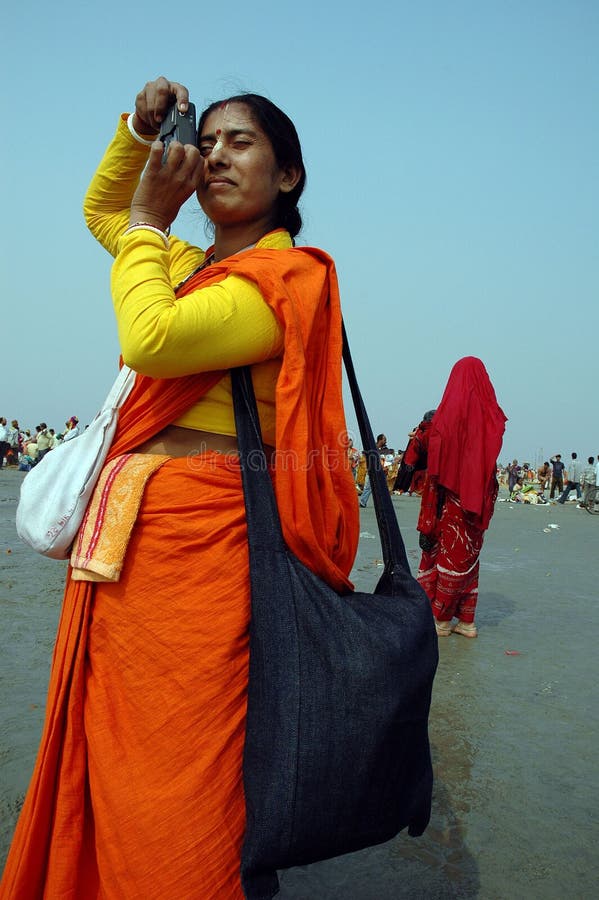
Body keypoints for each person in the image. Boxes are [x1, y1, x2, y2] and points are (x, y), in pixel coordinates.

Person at [1, 77, 359, 899]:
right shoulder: (194, 267)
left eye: (242, 143)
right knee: (111, 742)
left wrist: (152, 224)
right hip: (130, 539)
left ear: (288, 177)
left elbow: (151, 339)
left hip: (207, 548)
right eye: (209, 141)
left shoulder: (281, 279)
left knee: (182, 760)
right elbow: (105, 215)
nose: (218, 154)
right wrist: (138, 131)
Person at [414, 358, 506, 638]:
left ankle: (441, 619)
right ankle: (466, 622)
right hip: (478, 497)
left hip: (451, 497)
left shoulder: (448, 412)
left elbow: (434, 452)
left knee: (448, 555)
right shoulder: (492, 414)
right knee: (468, 558)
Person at [359, 433, 390, 507]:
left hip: (378, 470)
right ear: (380, 440)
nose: (386, 441)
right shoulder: (374, 448)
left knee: (377, 488)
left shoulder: (379, 449)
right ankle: (363, 502)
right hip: (374, 471)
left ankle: (364, 502)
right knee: (370, 487)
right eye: (384, 440)